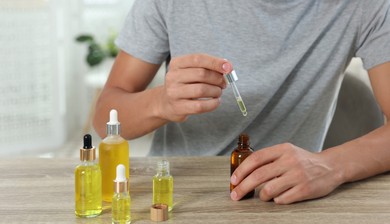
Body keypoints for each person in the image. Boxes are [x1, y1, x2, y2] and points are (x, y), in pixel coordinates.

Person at [93, 0, 390, 204]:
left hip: (284, 199)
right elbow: (105, 115)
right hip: (176, 195)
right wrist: (161, 102)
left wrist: (330, 166)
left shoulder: (363, 6)